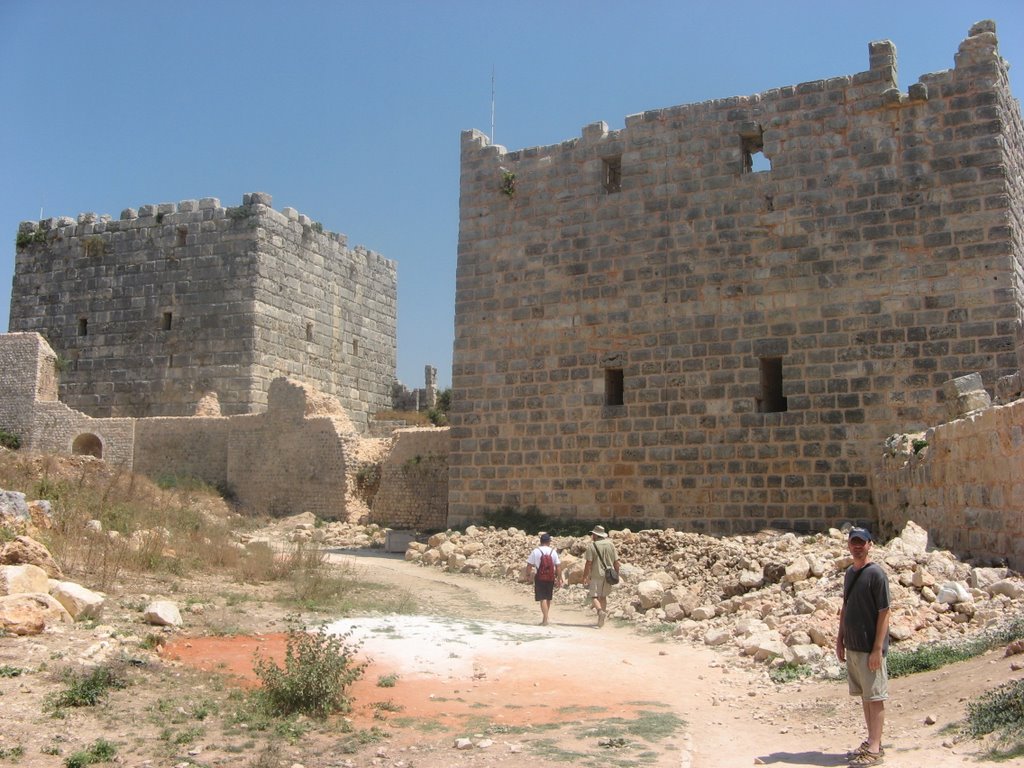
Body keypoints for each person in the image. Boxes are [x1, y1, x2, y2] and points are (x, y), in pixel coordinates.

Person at [835, 527, 891, 767]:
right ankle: (871, 741)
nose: (857, 546)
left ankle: (876, 748)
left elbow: (884, 612)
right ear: (848, 545)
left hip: (870, 647)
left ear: (870, 545)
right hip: (854, 646)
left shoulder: (877, 574)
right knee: (866, 697)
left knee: (875, 697)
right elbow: (845, 607)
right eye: (853, 542)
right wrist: (840, 639)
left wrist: (878, 648)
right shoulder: (849, 573)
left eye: (862, 542)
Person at [581, 524, 619, 628]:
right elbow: (616, 562)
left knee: (594, 596)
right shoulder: (611, 545)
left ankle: (599, 611)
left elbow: (588, 563)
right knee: (603, 597)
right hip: (608, 575)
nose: (592, 536)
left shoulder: (592, 546)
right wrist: (617, 574)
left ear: (596, 535)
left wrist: (585, 576)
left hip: (596, 575)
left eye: (593, 534)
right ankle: (601, 621)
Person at [526, 532, 561, 625]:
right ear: (549, 542)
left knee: (542, 599)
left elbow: (529, 565)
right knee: (548, 598)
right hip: (550, 577)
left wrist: (528, 575)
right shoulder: (553, 551)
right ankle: (545, 617)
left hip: (540, 577)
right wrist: (559, 578)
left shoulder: (536, 551)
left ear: (541, 541)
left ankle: (545, 619)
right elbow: (558, 566)